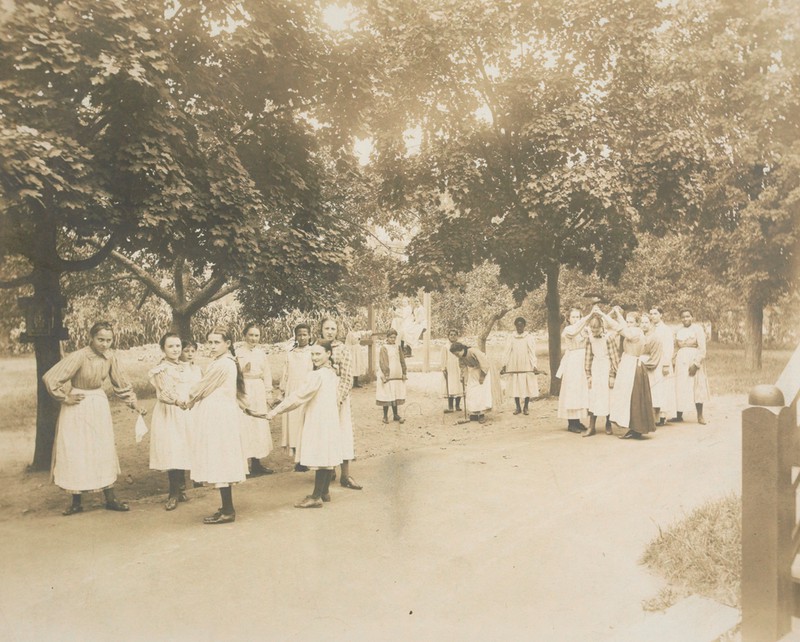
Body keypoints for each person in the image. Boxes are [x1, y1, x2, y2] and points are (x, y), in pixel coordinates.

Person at [43, 321, 142, 516]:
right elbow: (51, 378)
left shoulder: (110, 357)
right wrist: (65, 397)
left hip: (98, 404)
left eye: (109, 340)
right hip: (78, 406)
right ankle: (76, 501)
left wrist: (134, 403)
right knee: (77, 450)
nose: (105, 344)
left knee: (102, 448)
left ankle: (110, 498)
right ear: (91, 338)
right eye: (100, 339)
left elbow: (121, 382)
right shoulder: (79, 356)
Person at [266, 341, 343, 508]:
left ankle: (316, 496)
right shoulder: (332, 373)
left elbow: (298, 397)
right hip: (328, 419)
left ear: (328, 354)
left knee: (320, 455)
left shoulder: (318, 375)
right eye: (312, 354)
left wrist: (275, 411)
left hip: (319, 420)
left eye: (318, 354)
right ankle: (324, 492)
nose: (314, 357)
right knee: (326, 453)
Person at [184, 328, 249, 524]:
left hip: (219, 416)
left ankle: (228, 510)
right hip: (217, 413)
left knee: (221, 460)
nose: (212, 346)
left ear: (227, 343)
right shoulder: (221, 362)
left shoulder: (223, 364)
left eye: (216, 342)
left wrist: (185, 400)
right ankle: (226, 506)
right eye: (209, 342)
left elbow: (201, 387)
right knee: (220, 458)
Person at [148, 333, 193, 510]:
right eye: (170, 346)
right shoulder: (161, 369)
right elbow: (164, 393)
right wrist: (177, 401)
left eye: (177, 346)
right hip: (170, 411)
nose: (175, 350)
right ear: (163, 349)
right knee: (173, 449)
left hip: (185, 411)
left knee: (183, 447)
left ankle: (181, 489)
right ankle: (173, 492)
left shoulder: (186, 366)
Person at [319, 317, 362, 490]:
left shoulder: (343, 349)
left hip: (338, 397)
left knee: (343, 432)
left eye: (333, 329)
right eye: (327, 328)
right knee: (325, 433)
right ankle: (327, 471)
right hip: (321, 396)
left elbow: (346, 377)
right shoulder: (316, 348)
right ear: (321, 330)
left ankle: (345, 475)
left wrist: (338, 398)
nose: (330, 331)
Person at [606, 308, 661, 439]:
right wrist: (617, 315)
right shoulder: (631, 330)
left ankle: (637, 428)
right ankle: (631, 425)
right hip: (627, 363)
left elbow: (620, 328)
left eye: (631, 321)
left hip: (633, 365)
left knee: (634, 396)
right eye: (627, 321)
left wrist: (609, 314)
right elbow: (620, 327)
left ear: (637, 323)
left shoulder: (636, 332)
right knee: (626, 396)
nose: (628, 323)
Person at [235, 323, 274, 476]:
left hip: (258, 389)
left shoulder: (261, 354)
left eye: (256, 335)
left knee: (258, 425)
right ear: (244, 335)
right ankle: (244, 465)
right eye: (250, 335)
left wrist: (268, 393)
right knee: (245, 425)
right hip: (244, 389)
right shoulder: (237, 353)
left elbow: (267, 374)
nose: (253, 338)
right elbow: (233, 374)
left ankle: (257, 464)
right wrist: (241, 372)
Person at [279, 323, 314, 470]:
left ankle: (306, 457)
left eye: (305, 334)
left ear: (310, 335)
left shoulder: (313, 352)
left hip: (307, 390)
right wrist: (281, 392)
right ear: (296, 336)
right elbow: (285, 374)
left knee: (305, 423)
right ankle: (297, 459)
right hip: (292, 390)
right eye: (299, 334)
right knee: (293, 424)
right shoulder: (290, 353)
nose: (302, 337)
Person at [671, 308, 711, 425]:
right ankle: (679, 414)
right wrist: (672, 360)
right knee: (680, 386)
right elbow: (675, 347)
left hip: (693, 359)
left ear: (692, 317)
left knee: (697, 386)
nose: (685, 319)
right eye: (683, 317)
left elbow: (702, 349)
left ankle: (700, 415)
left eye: (688, 316)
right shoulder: (678, 330)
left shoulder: (697, 329)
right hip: (680, 360)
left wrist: (696, 363)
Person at [583, 314, 619, 437]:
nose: (594, 332)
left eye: (597, 329)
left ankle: (608, 423)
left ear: (602, 327)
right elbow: (588, 357)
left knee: (607, 396)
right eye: (592, 330)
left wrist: (612, 375)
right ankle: (591, 426)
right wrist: (588, 375)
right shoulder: (590, 338)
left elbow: (614, 357)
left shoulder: (609, 338)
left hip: (606, 367)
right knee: (594, 396)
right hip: (595, 369)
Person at [556, 308, 592, 433]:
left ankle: (577, 420)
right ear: (568, 319)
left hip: (583, 360)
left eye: (578, 317)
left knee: (581, 390)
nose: (575, 319)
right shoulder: (569, 329)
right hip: (573, 361)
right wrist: (589, 315)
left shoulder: (584, 329)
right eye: (573, 317)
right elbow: (575, 330)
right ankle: (571, 423)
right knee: (572, 390)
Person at [449, 342, 499, 424]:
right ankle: (475, 412)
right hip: (473, 371)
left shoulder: (472, 351)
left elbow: (484, 363)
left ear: (461, 349)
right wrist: (463, 378)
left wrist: (482, 376)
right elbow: (463, 369)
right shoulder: (461, 358)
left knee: (481, 391)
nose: (457, 356)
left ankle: (482, 414)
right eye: (455, 355)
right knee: (472, 391)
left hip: (483, 370)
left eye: (457, 353)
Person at [500, 317, 540, 416]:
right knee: (515, 385)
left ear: (524, 326)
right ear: (515, 326)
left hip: (526, 363)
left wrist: (534, 365)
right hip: (514, 364)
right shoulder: (511, 337)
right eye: (517, 325)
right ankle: (517, 407)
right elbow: (507, 351)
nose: (519, 327)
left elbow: (532, 352)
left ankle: (526, 407)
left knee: (527, 384)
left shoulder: (529, 337)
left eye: (521, 325)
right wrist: (504, 365)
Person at [648, 307, 676, 426]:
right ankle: (654, 415)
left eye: (655, 313)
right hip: (653, 361)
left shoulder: (666, 330)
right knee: (654, 388)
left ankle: (662, 416)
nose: (653, 316)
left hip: (662, 361)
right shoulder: (649, 328)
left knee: (663, 387)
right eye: (651, 314)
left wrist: (666, 364)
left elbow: (669, 347)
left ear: (661, 315)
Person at [376, 328, 408, 424]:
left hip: (396, 373)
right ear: (387, 337)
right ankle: (385, 416)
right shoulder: (384, 348)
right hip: (387, 374)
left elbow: (402, 359)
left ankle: (395, 414)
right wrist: (386, 373)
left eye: (394, 338)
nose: (393, 339)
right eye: (391, 337)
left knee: (395, 393)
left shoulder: (398, 347)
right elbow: (383, 362)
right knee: (387, 393)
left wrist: (404, 371)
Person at [440, 329, 464, 413]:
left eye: (454, 335)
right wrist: (443, 368)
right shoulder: (445, 347)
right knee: (450, 386)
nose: (453, 336)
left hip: (458, 367)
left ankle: (457, 405)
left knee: (459, 385)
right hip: (450, 369)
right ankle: (450, 406)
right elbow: (443, 359)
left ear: (457, 336)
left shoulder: (460, 346)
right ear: (448, 336)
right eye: (451, 335)